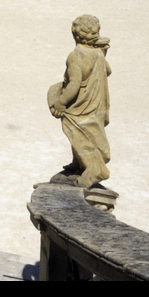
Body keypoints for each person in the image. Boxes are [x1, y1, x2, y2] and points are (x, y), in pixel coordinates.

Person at [47, 14, 111, 188]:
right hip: (95, 103)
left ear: (74, 32)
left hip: (82, 104)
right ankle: (79, 163)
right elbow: (108, 71)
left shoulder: (75, 56)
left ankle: (95, 169)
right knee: (88, 132)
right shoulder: (97, 54)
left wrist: (61, 102)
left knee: (75, 129)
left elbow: (74, 84)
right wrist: (102, 53)